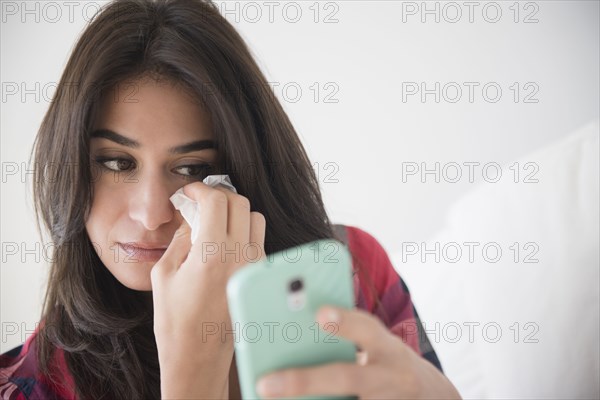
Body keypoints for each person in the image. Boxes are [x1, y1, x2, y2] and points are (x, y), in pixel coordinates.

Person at [0, 0, 461, 398]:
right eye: (118, 163)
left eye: (192, 168)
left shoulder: (352, 272)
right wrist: (194, 374)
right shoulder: (29, 386)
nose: (150, 214)